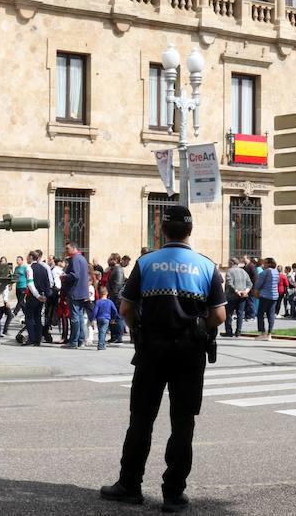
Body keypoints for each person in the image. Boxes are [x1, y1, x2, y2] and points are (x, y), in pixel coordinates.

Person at [102, 205, 225, 513]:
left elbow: (126, 309)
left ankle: (129, 485)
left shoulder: (146, 263)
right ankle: (173, 493)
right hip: (189, 353)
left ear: (162, 230)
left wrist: (137, 331)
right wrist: (199, 326)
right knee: (183, 423)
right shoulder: (206, 267)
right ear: (190, 231)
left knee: (141, 420)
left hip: (151, 351)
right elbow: (219, 314)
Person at [61, 241, 90, 349]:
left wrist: (64, 277)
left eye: (67, 248)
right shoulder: (82, 258)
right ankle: (80, 340)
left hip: (75, 292)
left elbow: (75, 275)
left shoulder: (75, 259)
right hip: (82, 292)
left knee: (74, 318)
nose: (66, 250)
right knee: (80, 317)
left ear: (74, 248)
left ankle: (73, 342)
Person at [23, 251, 49, 346]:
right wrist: (45, 295)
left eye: (27, 256)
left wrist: (37, 295)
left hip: (33, 296)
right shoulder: (43, 268)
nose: (26, 258)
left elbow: (30, 283)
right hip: (42, 296)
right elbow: (47, 283)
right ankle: (38, 339)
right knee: (38, 317)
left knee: (29, 317)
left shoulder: (29, 268)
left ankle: (32, 338)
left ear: (31, 257)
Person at [253, 257, 280, 340]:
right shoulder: (276, 272)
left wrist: (256, 290)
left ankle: (262, 333)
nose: (263, 264)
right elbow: (277, 282)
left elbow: (258, 284)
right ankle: (269, 334)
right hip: (274, 296)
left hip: (265, 295)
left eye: (265, 263)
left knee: (260, 314)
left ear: (269, 264)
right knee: (271, 315)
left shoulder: (265, 272)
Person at [223, 257, 251, 337]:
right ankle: (238, 332)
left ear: (231, 263)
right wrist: (245, 291)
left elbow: (229, 283)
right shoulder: (243, 271)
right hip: (243, 296)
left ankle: (229, 332)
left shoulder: (229, 271)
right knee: (240, 314)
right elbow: (250, 284)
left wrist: (236, 291)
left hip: (231, 296)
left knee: (229, 314)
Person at [241, 254, 258, 320]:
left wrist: (252, 286)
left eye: (244, 258)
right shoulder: (245, 266)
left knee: (251, 302)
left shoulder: (251, 266)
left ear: (248, 259)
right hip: (246, 287)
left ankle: (252, 316)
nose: (243, 260)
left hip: (251, 288)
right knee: (247, 302)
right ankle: (247, 316)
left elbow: (255, 277)